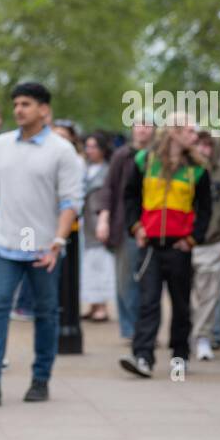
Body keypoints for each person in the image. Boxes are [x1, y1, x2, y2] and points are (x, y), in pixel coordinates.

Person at [0, 82, 83, 406]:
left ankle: (40, 379)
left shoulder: (61, 150)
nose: (18, 110)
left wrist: (58, 242)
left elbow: (70, 201)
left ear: (44, 109)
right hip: (3, 243)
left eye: (26, 104)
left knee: (46, 313)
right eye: (15, 104)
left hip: (43, 247)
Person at [119, 118, 211, 378]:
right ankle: (142, 356)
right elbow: (130, 196)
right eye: (189, 131)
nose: (194, 136)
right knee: (148, 302)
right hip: (150, 245)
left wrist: (192, 239)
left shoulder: (198, 169)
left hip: (179, 247)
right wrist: (135, 227)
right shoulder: (145, 161)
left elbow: (206, 209)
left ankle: (179, 357)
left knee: (181, 306)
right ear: (174, 132)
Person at [98, 120, 154, 342]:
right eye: (138, 125)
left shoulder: (160, 156)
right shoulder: (122, 155)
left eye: (147, 125)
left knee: (149, 280)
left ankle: (146, 329)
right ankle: (131, 329)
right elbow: (109, 188)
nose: (142, 129)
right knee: (126, 279)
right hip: (126, 225)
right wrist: (104, 218)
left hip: (153, 226)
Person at [190, 130, 220, 361]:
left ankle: (203, 336)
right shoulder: (186, 172)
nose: (203, 150)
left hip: (213, 242)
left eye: (208, 145)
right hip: (184, 241)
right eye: (199, 144)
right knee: (188, 295)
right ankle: (189, 333)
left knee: (209, 294)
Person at [80, 131, 114, 321]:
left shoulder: (108, 170)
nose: (90, 150)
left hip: (100, 221)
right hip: (85, 223)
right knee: (88, 265)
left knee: (101, 264)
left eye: (94, 147)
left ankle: (102, 305)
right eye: (88, 146)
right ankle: (92, 304)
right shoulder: (84, 168)